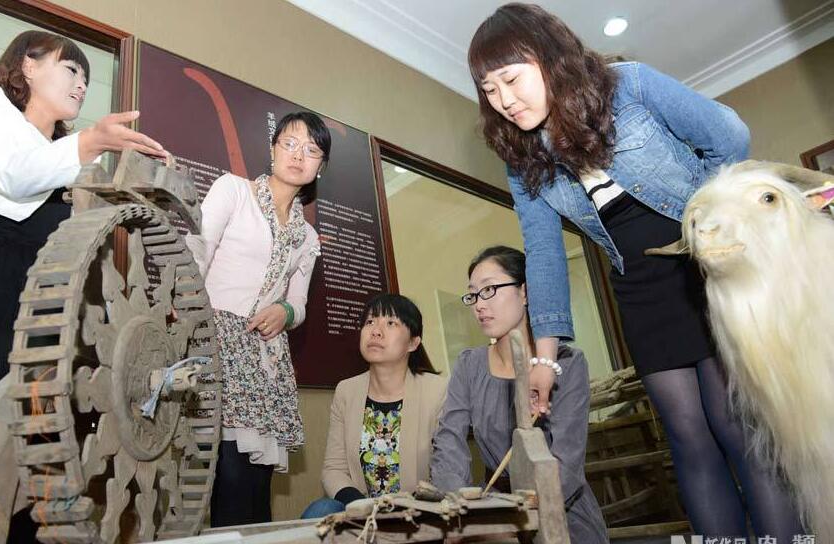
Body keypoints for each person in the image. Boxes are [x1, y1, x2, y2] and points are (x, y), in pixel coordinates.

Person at [466, 4, 804, 540]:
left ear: (549, 58)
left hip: (702, 268)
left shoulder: (630, 86)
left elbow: (730, 136)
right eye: (489, 90)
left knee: (737, 426)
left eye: (511, 79)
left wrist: (707, 219)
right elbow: (544, 251)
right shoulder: (522, 157)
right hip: (639, 289)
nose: (503, 100)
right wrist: (544, 360)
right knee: (687, 438)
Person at [0, 30, 166, 442]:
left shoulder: (69, 157)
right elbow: (9, 173)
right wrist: (89, 142)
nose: (82, 84)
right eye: (71, 69)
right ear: (28, 65)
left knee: (51, 460)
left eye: (86, 78)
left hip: (57, 299)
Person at [191, 111, 328, 526]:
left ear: (321, 166)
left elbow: (299, 304)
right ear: (272, 149)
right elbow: (197, 251)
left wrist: (284, 311)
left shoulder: (307, 236)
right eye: (290, 143)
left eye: (311, 150)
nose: (298, 155)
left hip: (266, 360)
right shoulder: (233, 190)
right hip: (217, 343)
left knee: (256, 485)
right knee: (228, 474)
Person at [430, 246, 607, 542]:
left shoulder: (566, 364)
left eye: (489, 290)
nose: (479, 305)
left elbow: (567, 464)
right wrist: (456, 507)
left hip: (560, 511)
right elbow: (449, 441)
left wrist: (516, 519)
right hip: (494, 511)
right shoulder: (469, 365)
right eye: (473, 295)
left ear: (524, 292)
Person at [302, 293, 447, 519]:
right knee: (321, 510)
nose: (376, 331)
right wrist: (365, 506)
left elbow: (446, 470)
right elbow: (334, 469)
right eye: (370, 321)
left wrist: (402, 510)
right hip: (363, 513)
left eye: (391, 323)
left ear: (413, 343)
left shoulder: (438, 391)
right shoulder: (346, 391)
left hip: (417, 513)